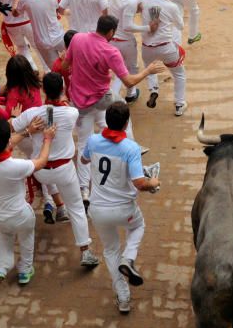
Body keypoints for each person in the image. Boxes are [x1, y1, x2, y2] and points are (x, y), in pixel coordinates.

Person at [61, 15, 165, 200]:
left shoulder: (77, 39)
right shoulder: (110, 51)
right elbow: (128, 80)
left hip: (79, 101)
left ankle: (84, 190)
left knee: (84, 142)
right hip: (101, 99)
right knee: (121, 110)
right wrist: (147, 71)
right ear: (110, 32)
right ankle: (134, 154)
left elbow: (65, 64)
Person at [81, 101, 159, 314]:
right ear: (126, 124)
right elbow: (140, 183)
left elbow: (84, 159)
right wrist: (154, 182)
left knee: (110, 249)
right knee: (138, 227)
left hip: (98, 209)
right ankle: (129, 258)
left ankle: (123, 297)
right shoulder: (131, 148)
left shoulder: (94, 140)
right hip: (124, 210)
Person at [11, 72, 99, 258]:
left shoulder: (31, 114)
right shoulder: (71, 113)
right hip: (64, 170)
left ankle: (54, 204)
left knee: (47, 177)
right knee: (76, 207)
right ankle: (85, 251)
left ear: (43, 91)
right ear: (62, 89)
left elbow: (13, 126)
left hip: (40, 171)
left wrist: (14, 116)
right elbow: (59, 110)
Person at [0, 116, 55, 284]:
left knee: (5, 234)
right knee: (26, 238)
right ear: (6, 141)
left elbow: (7, 144)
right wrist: (47, 139)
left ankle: (2, 267)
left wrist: (27, 131)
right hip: (20, 216)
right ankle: (25, 270)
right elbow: (41, 162)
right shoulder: (15, 166)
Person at [135, 0, 188, 116]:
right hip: (166, 48)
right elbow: (181, 26)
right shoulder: (171, 6)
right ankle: (179, 104)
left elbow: (134, 7)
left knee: (149, 67)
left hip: (147, 48)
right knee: (179, 74)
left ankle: (153, 90)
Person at [16, 0, 65, 69]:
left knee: (55, 71)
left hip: (42, 42)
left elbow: (16, 13)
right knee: (72, 63)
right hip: (59, 37)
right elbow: (57, 9)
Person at [107, 0, 142, 102]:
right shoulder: (131, 0)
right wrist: (147, 28)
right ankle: (130, 94)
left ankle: (115, 97)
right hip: (126, 42)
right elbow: (128, 26)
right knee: (131, 68)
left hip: (112, 41)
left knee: (116, 71)